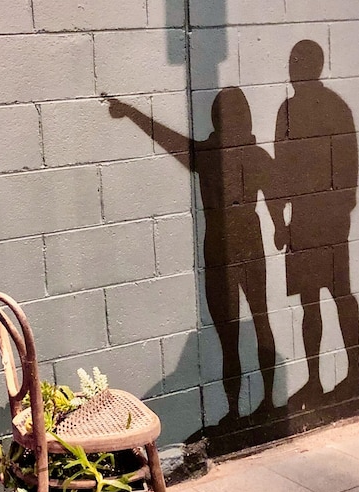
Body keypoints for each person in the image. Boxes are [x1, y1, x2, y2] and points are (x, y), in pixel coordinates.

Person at [107, 88, 277, 419]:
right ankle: (264, 401)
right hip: (244, 240)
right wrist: (282, 226)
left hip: (220, 242)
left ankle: (237, 407)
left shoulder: (209, 154)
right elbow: (276, 196)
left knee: (233, 330)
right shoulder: (249, 154)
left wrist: (131, 112)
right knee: (258, 319)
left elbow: (168, 139)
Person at [266, 39, 359, 404]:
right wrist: (281, 220)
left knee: (339, 292)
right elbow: (280, 171)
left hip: (327, 217)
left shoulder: (331, 108)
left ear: (315, 66)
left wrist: (338, 208)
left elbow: (348, 166)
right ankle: (315, 379)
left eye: (300, 60)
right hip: (305, 218)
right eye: (292, 60)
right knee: (311, 300)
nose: (294, 66)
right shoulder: (288, 111)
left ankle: (352, 372)